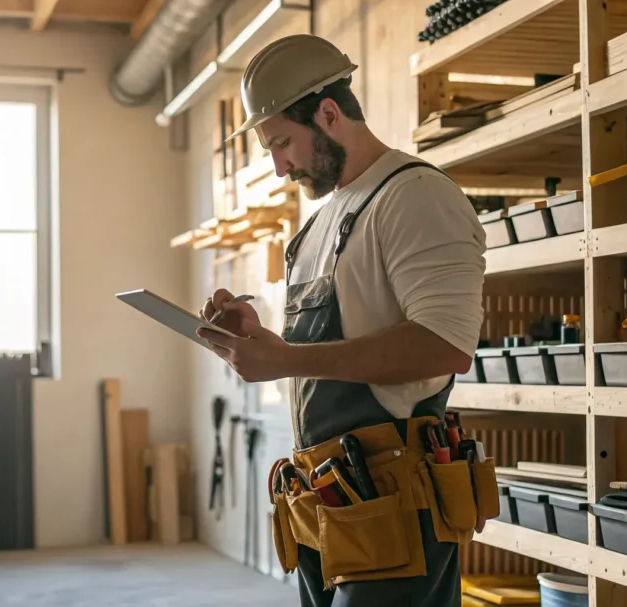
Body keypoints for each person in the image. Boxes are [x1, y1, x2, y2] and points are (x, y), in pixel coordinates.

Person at [196, 34, 487, 607]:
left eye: (282, 143)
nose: (279, 167)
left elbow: (445, 345)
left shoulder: (414, 196)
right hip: (326, 502)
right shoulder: (316, 226)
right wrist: (257, 338)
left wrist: (289, 360)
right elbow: (333, 342)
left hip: (395, 504)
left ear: (329, 113)